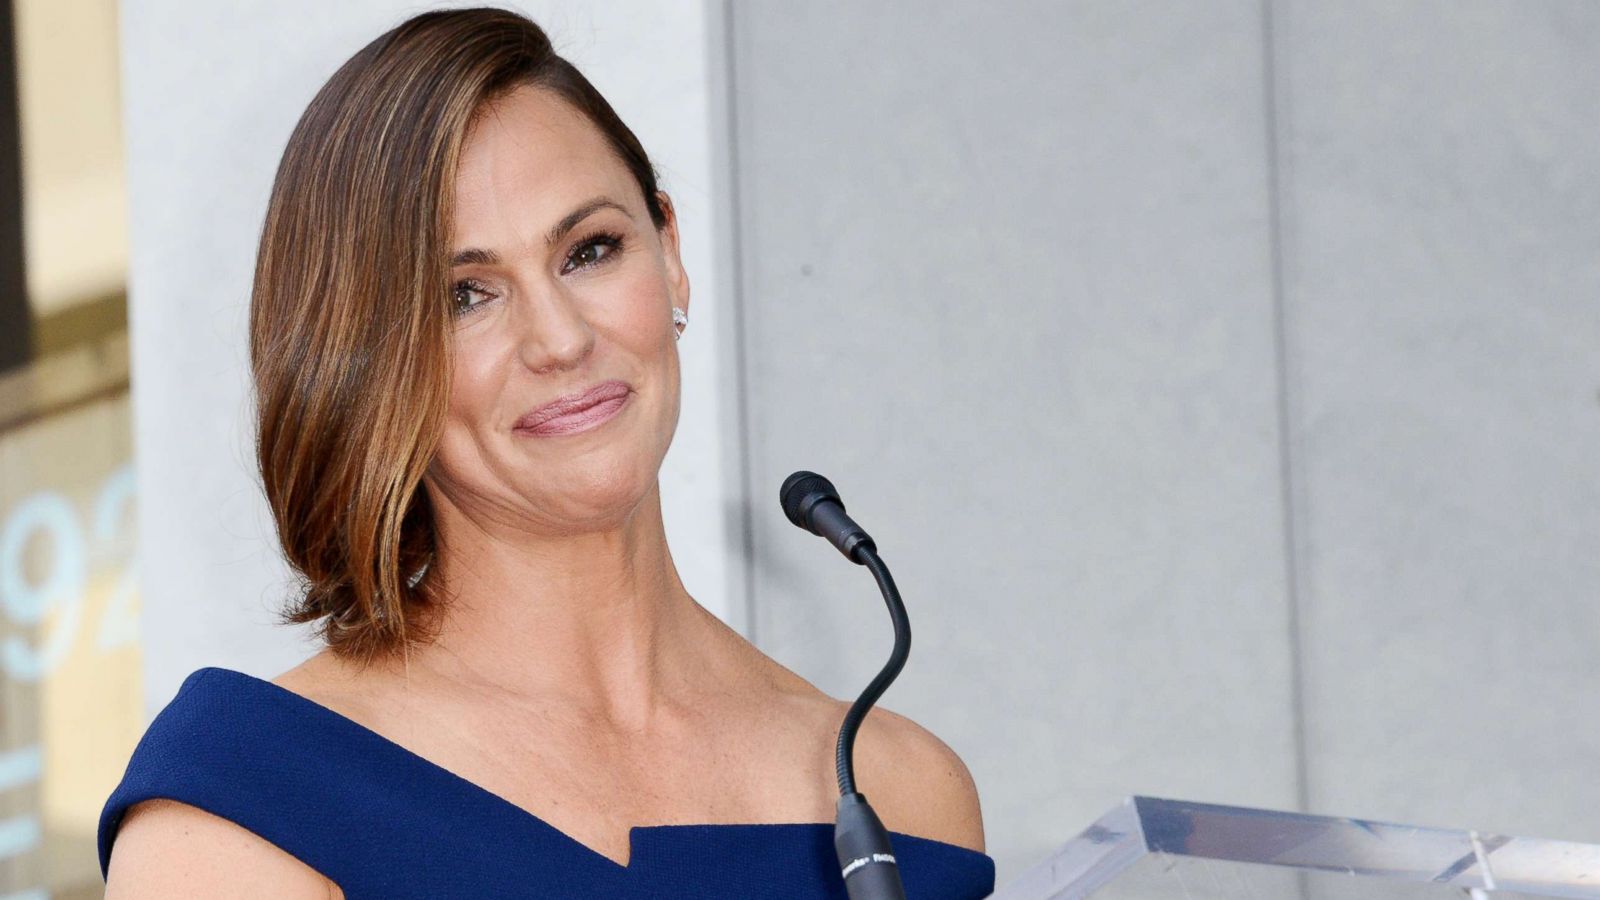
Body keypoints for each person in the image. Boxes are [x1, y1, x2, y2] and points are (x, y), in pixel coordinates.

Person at [98, 7, 992, 898]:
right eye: (465, 296)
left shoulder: (901, 788)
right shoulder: (245, 801)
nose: (560, 340)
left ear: (669, 251)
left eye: (590, 250)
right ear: (366, 363)